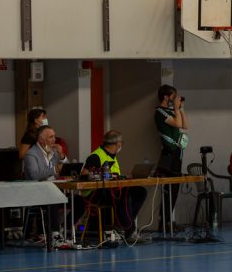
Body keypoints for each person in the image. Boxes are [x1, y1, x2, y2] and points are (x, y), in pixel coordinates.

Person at [81, 130, 149, 239]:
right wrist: (103, 176)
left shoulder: (113, 156)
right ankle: (128, 230)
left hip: (111, 189)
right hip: (95, 193)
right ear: (118, 144)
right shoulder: (96, 156)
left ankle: (123, 223)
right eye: (121, 142)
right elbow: (84, 175)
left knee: (140, 191)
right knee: (122, 193)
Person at [22, 125, 67, 246]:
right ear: (41, 139)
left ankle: (62, 227)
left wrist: (61, 155)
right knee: (52, 197)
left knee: (79, 201)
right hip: (36, 192)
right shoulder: (31, 154)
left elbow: (65, 168)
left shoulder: (54, 152)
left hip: (55, 188)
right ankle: (55, 233)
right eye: (51, 137)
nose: (54, 140)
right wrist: (54, 169)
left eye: (54, 137)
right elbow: (35, 174)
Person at [154, 85, 189, 217]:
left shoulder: (171, 111)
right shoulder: (160, 112)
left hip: (177, 151)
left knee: (175, 187)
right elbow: (178, 124)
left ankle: (169, 220)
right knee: (168, 188)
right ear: (165, 97)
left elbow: (185, 125)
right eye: (173, 96)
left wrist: (181, 108)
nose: (175, 99)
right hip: (169, 152)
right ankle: (164, 220)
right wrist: (175, 108)